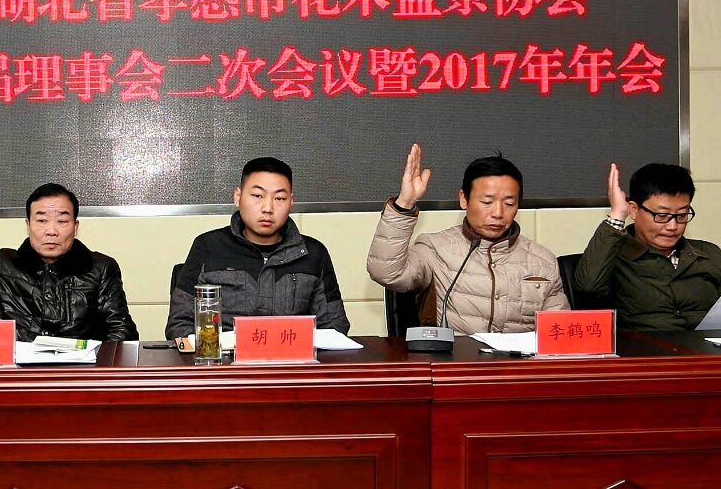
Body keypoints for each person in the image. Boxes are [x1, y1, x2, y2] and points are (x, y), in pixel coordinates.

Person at [367, 144, 568, 334]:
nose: (498, 213)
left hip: (520, 360)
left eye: (509, 203)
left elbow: (561, 334)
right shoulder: (436, 249)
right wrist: (404, 204)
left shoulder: (543, 261)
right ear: (464, 199)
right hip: (456, 358)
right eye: (487, 202)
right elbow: (386, 273)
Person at [0, 162, 137, 341]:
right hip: (17, 369)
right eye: (41, 220)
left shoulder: (100, 268)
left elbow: (121, 330)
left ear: (75, 227)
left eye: (62, 221)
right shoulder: (3, 264)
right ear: (28, 225)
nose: (51, 231)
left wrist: (91, 363)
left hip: (78, 368)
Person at [166, 157, 349, 339]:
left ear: (291, 201)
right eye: (257, 196)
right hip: (224, 356)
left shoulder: (314, 253)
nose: (268, 208)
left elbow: (334, 328)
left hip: (292, 356)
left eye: (279, 198)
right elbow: (180, 324)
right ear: (238, 197)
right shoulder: (208, 247)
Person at [574, 163, 721, 330]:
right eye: (662, 215)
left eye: (681, 215)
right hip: (644, 344)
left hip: (706, 345)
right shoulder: (613, 256)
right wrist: (617, 215)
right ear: (634, 210)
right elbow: (588, 287)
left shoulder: (709, 254)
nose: (673, 226)